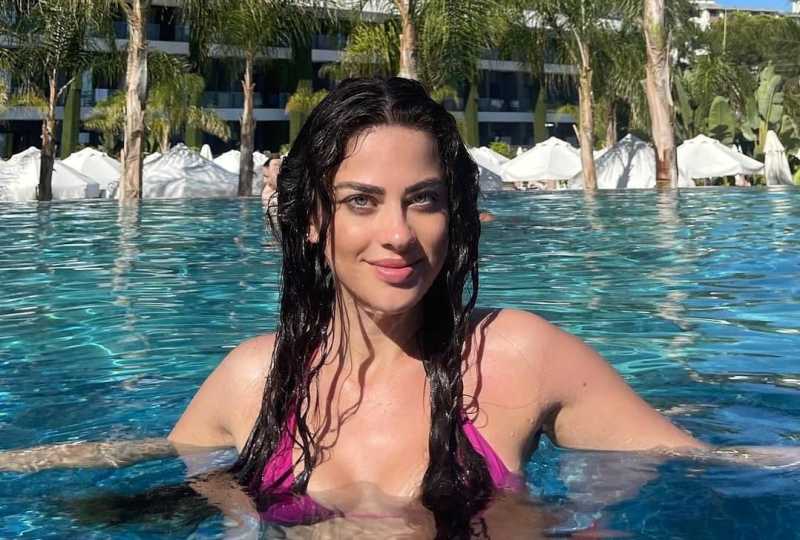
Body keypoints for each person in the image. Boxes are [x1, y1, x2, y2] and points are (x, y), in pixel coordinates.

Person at [2, 78, 798, 539]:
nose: (397, 234)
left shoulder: (514, 355)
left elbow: (710, 463)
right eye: (361, 201)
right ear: (315, 222)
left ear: (454, 213)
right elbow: (170, 458)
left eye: (423, 200)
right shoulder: (253, 378)